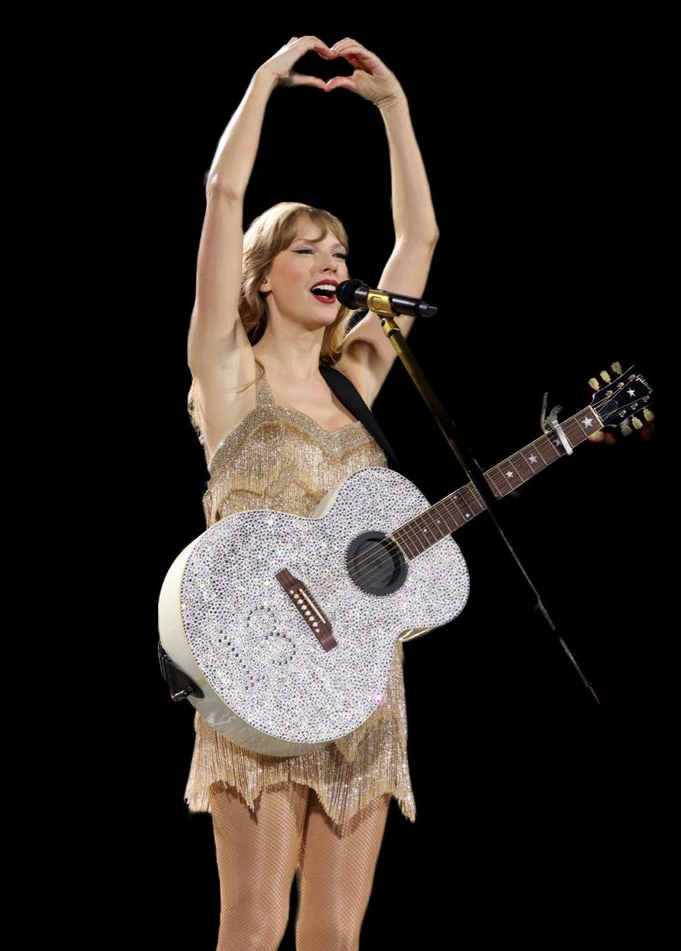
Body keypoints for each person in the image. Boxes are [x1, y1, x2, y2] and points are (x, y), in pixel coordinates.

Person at [184, 35, 439, 950]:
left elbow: (419, 238)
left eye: (339, 247)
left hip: (359, 680)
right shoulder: (228, 376)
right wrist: (260, 83)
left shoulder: (355, 381)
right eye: (307, 247)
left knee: (336, 931)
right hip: (257, 665)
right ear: (261, 275)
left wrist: (394, 109)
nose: (333, 258)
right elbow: (221, 197)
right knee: (254, 923)